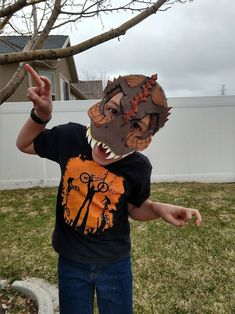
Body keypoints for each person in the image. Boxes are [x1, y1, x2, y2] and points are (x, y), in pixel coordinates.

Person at [16, 64, 202, 314]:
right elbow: (25, 143)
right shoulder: (70, 138)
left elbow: (134, 209)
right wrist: (41, 115)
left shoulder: (138, 168)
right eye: (113, 111)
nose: (115, 132)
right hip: (71, 261)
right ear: (101, 104)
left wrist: (157, 208)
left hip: (115, 264)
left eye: (136, 126)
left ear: (148, 136)